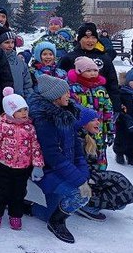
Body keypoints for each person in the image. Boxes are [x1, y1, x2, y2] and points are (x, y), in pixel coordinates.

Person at [27, 75, 90, 244]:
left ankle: (50, 210)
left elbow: (76, 146)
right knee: (80, 195)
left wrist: (82, 173)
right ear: (55, 97)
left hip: (63, 167)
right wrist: (77, 179)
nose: (69, 95)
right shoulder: (44, 120)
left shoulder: (66, 113)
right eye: (65, 93)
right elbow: (52, 156)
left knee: (82, 190)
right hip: (47, 170)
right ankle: (56, 221)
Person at [0, 88, 44, 230]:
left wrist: (37, 166)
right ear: (11, 112)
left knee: (19, 193)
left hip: (22, 168)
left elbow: (35, 147)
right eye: (20, 110)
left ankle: (15, 215)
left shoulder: (30, 128)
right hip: (3, 166)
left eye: (26, 110)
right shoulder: (1, 127)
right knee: (1, 191)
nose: (24, 113)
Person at [75, 108, 133, 221]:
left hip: (89, 175)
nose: (98, 122)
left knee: (118, 183)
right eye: (93, 120)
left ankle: (90, 200)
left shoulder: (89, 138)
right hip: (81, 178)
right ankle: (85, 204)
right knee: (117, 183)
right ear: (83, 123)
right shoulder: (79, 140)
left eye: (98, 119)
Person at [59, 22, 121, 112]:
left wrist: (116, 106)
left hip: (101, 106)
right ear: (79, 39)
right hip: (76, 105)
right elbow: (61, 82)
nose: (90, 41)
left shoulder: (104, 58)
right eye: (86, 37)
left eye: (93, 38)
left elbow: (112, 84)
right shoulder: (69, 58)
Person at [67, 56, 114, 171]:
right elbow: (70, 109)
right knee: (83, 154)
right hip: (80, 131)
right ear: (79, 72)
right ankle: (83, 176)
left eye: (95, 70)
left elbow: (108, 111)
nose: (93, 73)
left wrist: (110, 130)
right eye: (88, 71)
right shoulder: (73, 89)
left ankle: (100, 175)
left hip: (99, 129)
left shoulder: (101, 90)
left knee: (100, 154)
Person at [0, 27, 33, 98]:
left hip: (19, 103)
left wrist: (28, 99)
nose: (10, 46)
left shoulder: (19, 62)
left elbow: (27, 85)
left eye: (12, 42)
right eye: (7, 42)